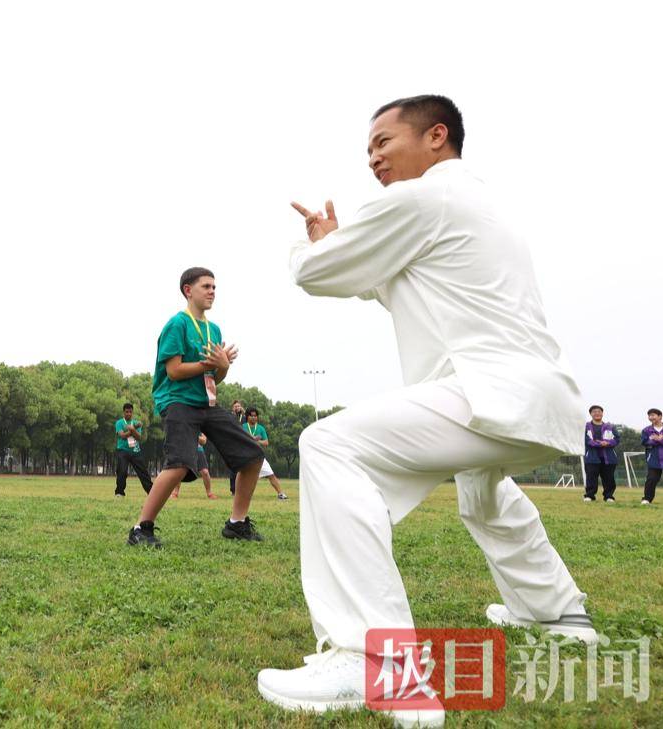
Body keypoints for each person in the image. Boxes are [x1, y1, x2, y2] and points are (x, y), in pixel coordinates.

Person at [257, 96, 594, 726]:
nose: (373, 158)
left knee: (328, 445)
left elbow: (322, 272)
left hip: (488, 389)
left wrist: (318, 247)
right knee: (484, 492)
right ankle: (557, 613)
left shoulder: (425, 197)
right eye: (367, 150)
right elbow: (386, 280)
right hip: (538, 399)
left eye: (383, 142)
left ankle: (375, 664)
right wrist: (346, 249)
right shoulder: (476, 203)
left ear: (437, 135)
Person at [126, 267, 265, 547]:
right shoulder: (177, 324)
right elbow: (174, 371)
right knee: (179, 464)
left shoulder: (214, 330)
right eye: (206, 286)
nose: (212, 291)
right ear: (188, 290)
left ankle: (237, 524)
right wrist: (208, 363)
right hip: (178, 401)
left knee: (253, 455)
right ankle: (141, 529)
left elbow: (215, 377)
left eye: (214, 287)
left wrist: (222, 366)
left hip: (206, 403)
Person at [243, 408, 288, 500]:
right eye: (251, 416)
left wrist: (256, 441)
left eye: (255, 416)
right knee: (246, 478)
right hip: (246, 456)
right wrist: (252, 438)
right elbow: (241, 439)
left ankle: (280, 494)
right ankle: (242, 495)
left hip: (259, 457)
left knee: (271, 474)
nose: (254, 417)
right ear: (247, 417)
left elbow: (266, 442)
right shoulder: (243, 427)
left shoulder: (261, 428)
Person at [114, 403, 152, 497]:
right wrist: (134, 428)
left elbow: (138, 437)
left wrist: (133, 429)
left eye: (130, 412)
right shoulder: (119, 423)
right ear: (123, 412)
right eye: (127, 412)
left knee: (143, 472)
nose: (129, 414)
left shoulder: (135, 422)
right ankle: (119, 493)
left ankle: (152, 492)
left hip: (135, 451)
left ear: (132, 412)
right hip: (123, 451)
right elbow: (122, 436)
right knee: (122, 471)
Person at [582, 405, 619, 503]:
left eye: (599, 411)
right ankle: (590, 495)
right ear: (591, 414)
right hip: (591, 456)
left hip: (608, 457)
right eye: (594, 412)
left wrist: (608, 443)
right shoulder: (586, 427)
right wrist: (600, 444)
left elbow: (617, 439)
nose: (597, 413)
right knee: (591, 477)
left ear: (602, 413)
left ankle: (609, 496)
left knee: (609, 478)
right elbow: (586, 439)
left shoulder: (610, 427)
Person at [173, 433, 218, 499]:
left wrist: (192, 436)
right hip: (183, 449)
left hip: (198, 449)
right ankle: (175, 493)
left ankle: (209, 493)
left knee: (205, 472)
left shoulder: (200, 428)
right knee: (178, 470)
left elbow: (204, 441)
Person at [642, 408, 663, 505]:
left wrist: (660, 440)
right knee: (651, 479)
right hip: (654, 459)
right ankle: (647, 499)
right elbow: (645, 442)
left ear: (660, 416)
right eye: (649, 415)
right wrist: (657, 440)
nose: (651, 417)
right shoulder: (646, 430)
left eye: (653, 415)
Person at [228, 400, 245, 494]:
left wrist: (244, 413)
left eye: (239, 406)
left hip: (242, 444)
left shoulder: (244, 417)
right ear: (232, 408)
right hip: (232, 444)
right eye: (235, 406)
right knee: (233, 468)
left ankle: (242, 489)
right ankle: (233, 489)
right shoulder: (230, 416)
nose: (237, 408)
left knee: (242, 468)